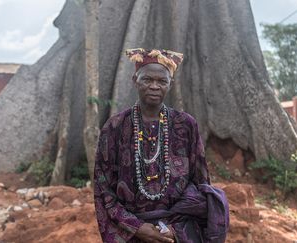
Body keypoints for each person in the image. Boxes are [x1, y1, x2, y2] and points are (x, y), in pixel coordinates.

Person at [94, 48, 229, 243]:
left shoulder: (186, 124)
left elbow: (200, 187)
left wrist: (176, 230)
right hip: (131, 232)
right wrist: (137, 228)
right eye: (147, 80)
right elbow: (103, 189)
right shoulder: (115, 127)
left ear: (170, 84)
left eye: (162, 81)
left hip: (177, 231)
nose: (154, 86)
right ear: (135, 81)